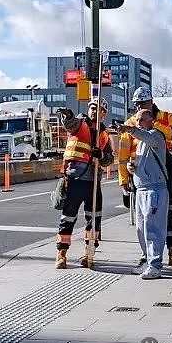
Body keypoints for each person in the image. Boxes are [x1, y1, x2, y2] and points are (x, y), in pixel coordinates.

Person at [118, 87, 172, 269]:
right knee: (144, 219)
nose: (140, 106)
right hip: (138, 176)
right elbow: (123, 154)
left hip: (162, 174)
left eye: (144, 103)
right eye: (137, 104)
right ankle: (147, 254)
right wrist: (124, 179)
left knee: (166, 215)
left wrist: (153, 125)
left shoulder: (165, 117)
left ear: (151, 101)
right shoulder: (130, 123)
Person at [55, 97, 114, 269]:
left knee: (93, 220)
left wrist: (101, 156)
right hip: (74, 179)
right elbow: (70, 125)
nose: (95, 111)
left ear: (104, 114)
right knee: (68, 218)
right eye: (93, 108)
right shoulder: (80, 124)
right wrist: (67, 116)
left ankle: (89, 254)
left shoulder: (103, 135)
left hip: (93, 183)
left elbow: (108, 159)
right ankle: (61, 253)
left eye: (99, 109)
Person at [116, 109, 169, 279]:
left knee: (153, 227)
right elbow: (142, 162)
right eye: (137, 120)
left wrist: (129, 129)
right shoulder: (140, 142)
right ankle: (148, 261)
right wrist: (133, 169)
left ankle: (155, 265)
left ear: (151, 120)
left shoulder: (156, 136)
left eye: (142, 120)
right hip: (141, 189)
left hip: (154, 189)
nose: (138, 123)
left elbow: (146, 137)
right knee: (141, 228)